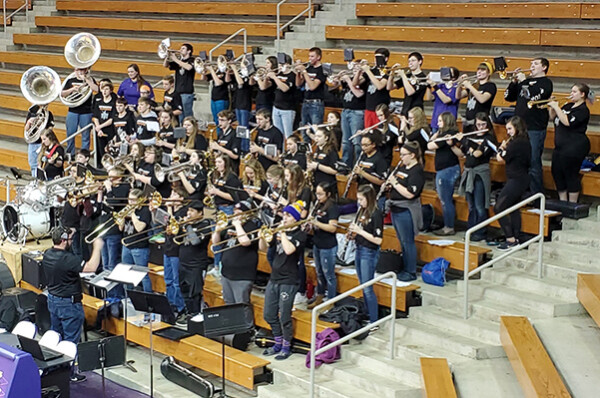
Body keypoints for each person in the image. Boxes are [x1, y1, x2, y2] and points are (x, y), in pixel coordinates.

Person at [42, 226, 103, 382]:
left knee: (56, 335)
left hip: (53, 300)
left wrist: (71, 232)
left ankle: (55, 370)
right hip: (69, 305)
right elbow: (90, 268)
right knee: (70, 341)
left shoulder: (48, 254)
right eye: (69, 239)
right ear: (63, 241)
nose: (71, 241)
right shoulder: (67, 259)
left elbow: (65, 240)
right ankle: (69, 373)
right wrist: (97, 247)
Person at [260, 201, 307, 360]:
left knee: (285, 316)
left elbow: (289, 250)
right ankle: (277, 341)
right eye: (284, 215)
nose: (284, 218)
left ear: (294, 218)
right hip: (274, 278)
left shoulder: (301, 235)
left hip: (289, 280)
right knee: (268, 314)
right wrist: (263, 236)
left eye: (288, 215)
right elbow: (264, 248)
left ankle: (286, 346)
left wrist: (283, 232)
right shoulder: (280, 233)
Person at [504, 57, 553, 194]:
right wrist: (514, 82)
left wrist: (523, 81)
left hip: (534, 127)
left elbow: (533, 97)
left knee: (533, 162)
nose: (532, 66)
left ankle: (536, 195)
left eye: (536, 64)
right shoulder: (523, 82)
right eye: (531, 63)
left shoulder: (546, 83)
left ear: (544, 67)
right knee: (519, 161)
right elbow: (508, 97)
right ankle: (522, 192)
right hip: (519, 128)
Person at [387, 141, 425, 281]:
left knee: (408, 241)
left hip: (406, 210)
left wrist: (395, 183)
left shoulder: (417, 171)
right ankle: (404, 267)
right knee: (401, 241)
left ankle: (410, 271)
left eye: (403, 155)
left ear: (412, 155)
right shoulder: (402, 168)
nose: (401, 157)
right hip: (396, 208)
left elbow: (410, 194)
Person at [548, 83, 591, 203]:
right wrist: (552, 107)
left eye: (574, 92)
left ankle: (572, 204)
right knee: (557, 173)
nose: (571, 94)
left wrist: (557, 107)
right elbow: (554, 118)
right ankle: (563, 202)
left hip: (574, 147)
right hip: (560, 147)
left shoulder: (583, 110)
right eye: (571, 91)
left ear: (582, 94)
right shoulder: (568, 106)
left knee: (570, 174)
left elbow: (567, 122)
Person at [457, 113, 496, 241]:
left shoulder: (489, 138)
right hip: (469, 172)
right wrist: (452, 143)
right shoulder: (472, 137)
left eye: (483, 124)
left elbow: (477, 154)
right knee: (471, 205)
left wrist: (464, 140)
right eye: (478, 124)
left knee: (480, 205)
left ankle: (481, 232)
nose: (480, 127)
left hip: (480, 174)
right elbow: (462, 152)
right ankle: (471, 230)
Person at [212, 201, 260, 305]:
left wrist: (238, 226)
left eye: (239, 212)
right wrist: (217, 231)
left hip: (242, 276)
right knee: (228, 304)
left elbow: (245, 242)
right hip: (226, 273)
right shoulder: (229, 224)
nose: (235, 214)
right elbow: (216, 242)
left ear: (246, 214)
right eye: (235, 211)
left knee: (241, 306)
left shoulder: (252, 227)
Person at [495, 116, 531, 251]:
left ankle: (510, 238)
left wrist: (501, 149)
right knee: (513, 208)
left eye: (510, 129)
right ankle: (516, 237)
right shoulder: (524, 141)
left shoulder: (517, 143)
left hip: (517, 179)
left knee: (499, 207)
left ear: (517, 128)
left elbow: (500, 158)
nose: (508, 132)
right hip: (519, 178)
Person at [349, 184, 383, 325]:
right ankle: (368, 314)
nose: (359, 202)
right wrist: (352, 235)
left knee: (368, 288)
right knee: (363, 285)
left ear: (369, 198)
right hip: (359, 248)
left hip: (369, 252)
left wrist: (360, 231)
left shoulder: (376, 213)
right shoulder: (361, 211)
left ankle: (374, 320)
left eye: (361, 199)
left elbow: (378, 239)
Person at [427, 112, 462, 236]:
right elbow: (429, 140)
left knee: (445, 200)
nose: (438, 123)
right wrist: (437, 133)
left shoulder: (449, 134)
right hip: (444, 169)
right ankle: (448, 225)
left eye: (440, 121)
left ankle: (449, 226)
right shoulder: (442, 134)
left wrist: (438, 137)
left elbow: (430, 145)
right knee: (444, 199)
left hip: (448, 170)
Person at [307, 182, 339, 308]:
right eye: (316, 193)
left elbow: (332, 228)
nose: (318, 196)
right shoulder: (317, 205)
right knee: (319, 272)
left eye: (320, 194)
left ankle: (331, 302)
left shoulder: (333, 207)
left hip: (328, 245)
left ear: (328, 194)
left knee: (329, 275)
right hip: (317, 243)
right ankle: (320, 296)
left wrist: (316, 223)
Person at [178, 204, 212, 315]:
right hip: (183, 263)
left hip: (196, 266)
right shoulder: (185, 225)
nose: (188, 213)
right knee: (185, 292)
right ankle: (189, 316)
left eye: (192, 211)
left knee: (195, 294)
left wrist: (188, 226)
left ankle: (197, 317)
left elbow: (195, 241)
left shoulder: (205, 225)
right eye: (188, 210)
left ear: (200, 213)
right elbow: (175, 239)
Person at [120, 189, 154, 292]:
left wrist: (133, 214)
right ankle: (129, 296)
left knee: (142, 275)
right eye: (129, 200)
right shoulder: (127, 209)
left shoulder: (145, 211)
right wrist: (121, 219)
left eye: (133, 200)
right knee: (126, 273)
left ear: (140, 200)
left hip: (139, 247)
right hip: (126, 245)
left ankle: (148, 297)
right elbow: (120, 228)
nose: (130, 202)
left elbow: (140, 228)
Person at [332, 67, 366, 167]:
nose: (354, 73)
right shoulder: (350, 80)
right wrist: (337, 78)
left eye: (357, 71)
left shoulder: (363, 82)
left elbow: (358, 94)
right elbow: (335, 86)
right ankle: (346, 164)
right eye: (354, 71)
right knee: (346, 140)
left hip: (357, 112)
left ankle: (358, 165)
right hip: (345, 110)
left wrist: (348, 81)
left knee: (357, 141)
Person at [162, 188, 188, 321]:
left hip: (177, 251)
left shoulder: (184, 212)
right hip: (167, 248)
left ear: (181, 198)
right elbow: (165, 228)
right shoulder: (169, 211)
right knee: (168, 280)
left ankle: (180, 307)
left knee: (176, 282)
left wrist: (170, 211)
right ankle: (170, 304)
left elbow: (175, 230)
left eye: (174, 194)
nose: (170, 197)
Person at [61, 67, 99, 156]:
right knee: (70, 133)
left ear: (86, 70)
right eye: (78, 70)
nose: (80, 72)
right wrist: (72, 89)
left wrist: (86, 79)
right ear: (75, 71)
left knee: (86, 134)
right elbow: (62, 94)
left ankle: (84, 155)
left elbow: (97, 89)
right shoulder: (70, 80)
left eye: (82, 70)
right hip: (73, 110)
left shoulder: (90, 79)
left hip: (86, 111)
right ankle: (71, 154)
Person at [456, 62, 497, 131]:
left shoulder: (490, 86)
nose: (479, 72)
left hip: (480, 122)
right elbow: (458, 96)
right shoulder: (475, 85)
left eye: (483, 70)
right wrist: (459, 84)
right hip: (468, 121)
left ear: (489, 73)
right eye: (478, 69)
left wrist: (469, 86)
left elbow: (482, 99)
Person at [296, 47, 326, 141]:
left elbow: (313, 86)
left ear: (318, 57)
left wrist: (304, 72)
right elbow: (298, 84)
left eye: (312, 56)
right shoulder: (309, 68)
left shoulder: (322, 70)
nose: (310, 58)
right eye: (309, 56)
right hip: (306, 102)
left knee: (316, 131)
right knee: (304, 130)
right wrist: (298, 72)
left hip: (316, 104)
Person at [355, 48, 390, 127]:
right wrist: (359, 71)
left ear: (386, 59)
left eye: (379, 58)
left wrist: (368, 71)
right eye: (375, 57)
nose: (376, 60)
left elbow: (380, 86)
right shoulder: (371, 70)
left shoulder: (388, 71)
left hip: (380, 110)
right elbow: (356, 83)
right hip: (369, 108)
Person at [386, 51, 427, 116]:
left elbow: (410, 92)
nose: (410, 63)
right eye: (409, 61)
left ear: (420, 62)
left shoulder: (423, 78)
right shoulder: (407, 76)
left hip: (416, 111)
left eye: (413, 60)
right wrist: (392, 74)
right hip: (405, 110)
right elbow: (389, 87)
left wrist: (403, 76)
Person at [164, 43, 195, 123]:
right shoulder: (179, 61)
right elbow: (165, 65)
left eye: (183, 48)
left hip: (186, 92)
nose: (180, 50)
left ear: (189, 51)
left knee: (187, 116)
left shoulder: (192, 60)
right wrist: (167, 56)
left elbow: (189, 67)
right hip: (177, 92)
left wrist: (175, 60)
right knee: (180, 116)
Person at [269, 53, 296, 138]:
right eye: (279, 64)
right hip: (276, 107)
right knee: (277, 134)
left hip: (287, 109)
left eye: (282, 64)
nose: (280, 66)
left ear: (288, 65)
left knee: (288, 135)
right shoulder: (279, 75)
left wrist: (275, 78)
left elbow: (285, 88)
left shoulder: (292, 76)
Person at [202, 53, 230, 134]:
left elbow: (218, 83)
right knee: (215, 120)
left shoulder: (227, 73)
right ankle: (218, 136)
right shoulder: (217, 71)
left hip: (222, 99)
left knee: (221, 121)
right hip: (214, 98)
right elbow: (204, 78)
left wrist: (211, 70)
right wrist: (203, 71)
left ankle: (222, 136)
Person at [25, 103, 54, 177]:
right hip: (32, 142)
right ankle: (34, 179)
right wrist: (29, 122)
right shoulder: (31, 113)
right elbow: (26, 129)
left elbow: (50, 130)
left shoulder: (48, 114)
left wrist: (41, 126)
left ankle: (40, 181)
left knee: (42, 163)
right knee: (32, 164)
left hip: (42, 143)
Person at [251, 108, 284, 172]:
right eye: (256, 119)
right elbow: (256, 146)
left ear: (267, 119)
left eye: (260, 119)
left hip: (270, 169)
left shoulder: (276, 133)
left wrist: (259, 149)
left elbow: (276, 158)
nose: (257, 122)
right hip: (259, 166)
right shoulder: (259, 130)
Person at [428, 67, 460, 132]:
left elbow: (446, 100)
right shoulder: (441, 86)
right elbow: (430, 98)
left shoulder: (456, 87)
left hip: (448, 123)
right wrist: (428, 86)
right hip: (436, 121)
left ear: (454, 77)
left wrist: (435, 87)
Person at [92, 80, 117, 163]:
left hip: (109, 130)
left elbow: (111, 119)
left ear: (110, 90)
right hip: (100, 131)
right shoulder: (98, 102)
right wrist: (98, 128)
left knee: (110, 149)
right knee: (101, 149)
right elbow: (95, 116)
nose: (104, 91)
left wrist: (100, 127)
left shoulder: (113, 103)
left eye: (106, 89)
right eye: (103, 89)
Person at [228, 61, 252, 128]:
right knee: (240, 127)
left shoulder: (249, 74)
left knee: (244, 127)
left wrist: (234, 69)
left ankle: (245, 139)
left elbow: (240, 82)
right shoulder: (239, 73)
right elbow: (228, 80)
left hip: (245, 104)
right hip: (237, 103)